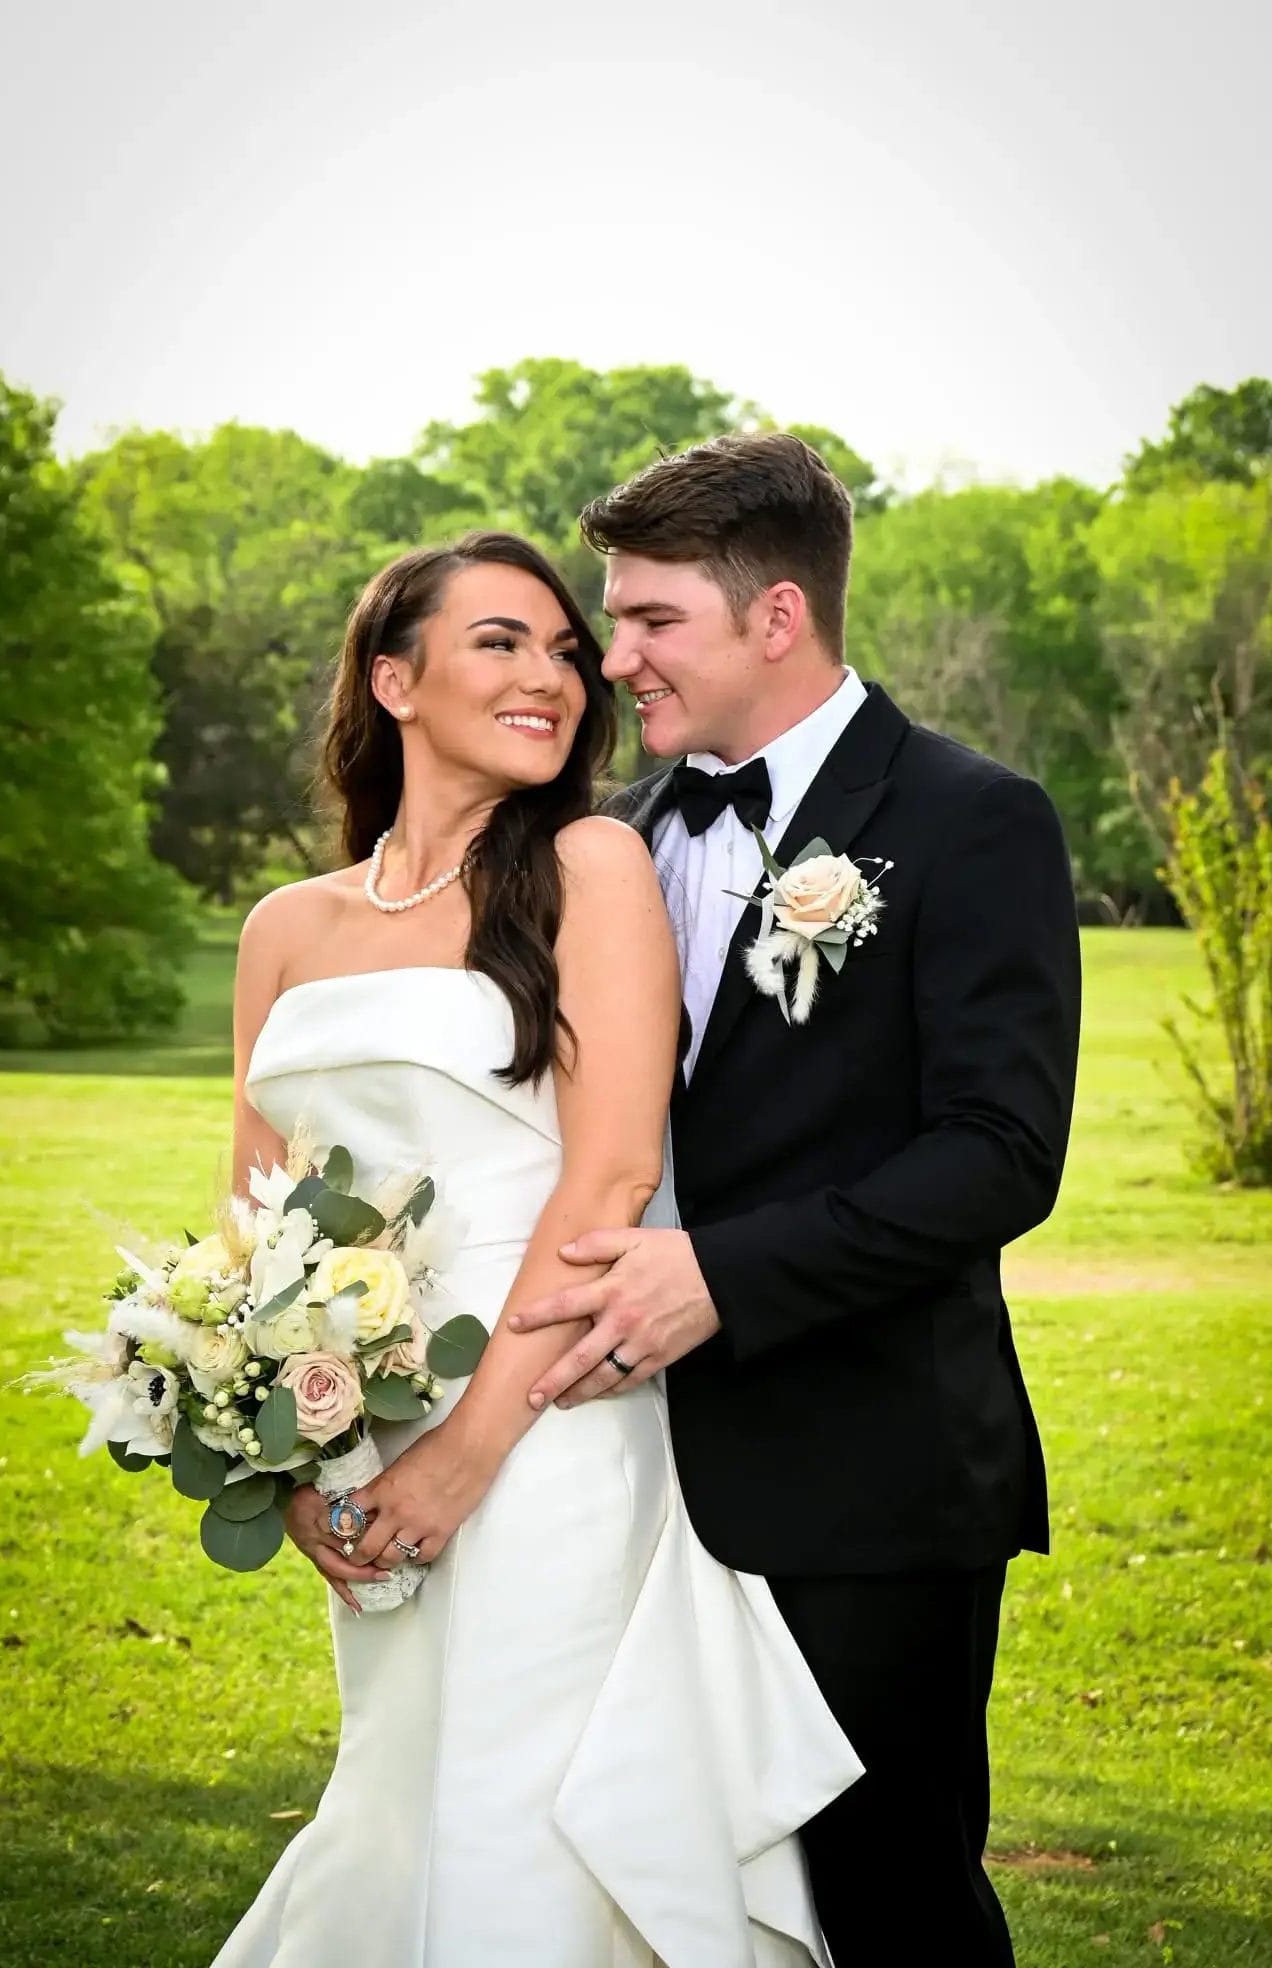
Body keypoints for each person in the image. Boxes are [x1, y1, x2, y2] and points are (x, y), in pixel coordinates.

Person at [213, 530, 860, 1968]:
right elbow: (252, 1212)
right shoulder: (285, 929)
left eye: (566, 651)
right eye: (502, 641)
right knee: (407, 1786)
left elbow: (615, 1173)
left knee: (533, 1814)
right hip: (367, 1431)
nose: (556, 676)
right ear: (394, 679)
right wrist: (296, 1451)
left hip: (554, 1417)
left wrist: (469, 1448)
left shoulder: (587, 862)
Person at [509, 436, 1082, 1967]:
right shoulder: (607, 840)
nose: (609, 657)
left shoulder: (974, 818)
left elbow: (999, 1150)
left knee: (884, 1907)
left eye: (649, 622)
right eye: (608, 621)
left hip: (869, 1480)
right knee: (653, 1897)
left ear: (776, 617)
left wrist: (724, 1278)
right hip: (621, 1487)